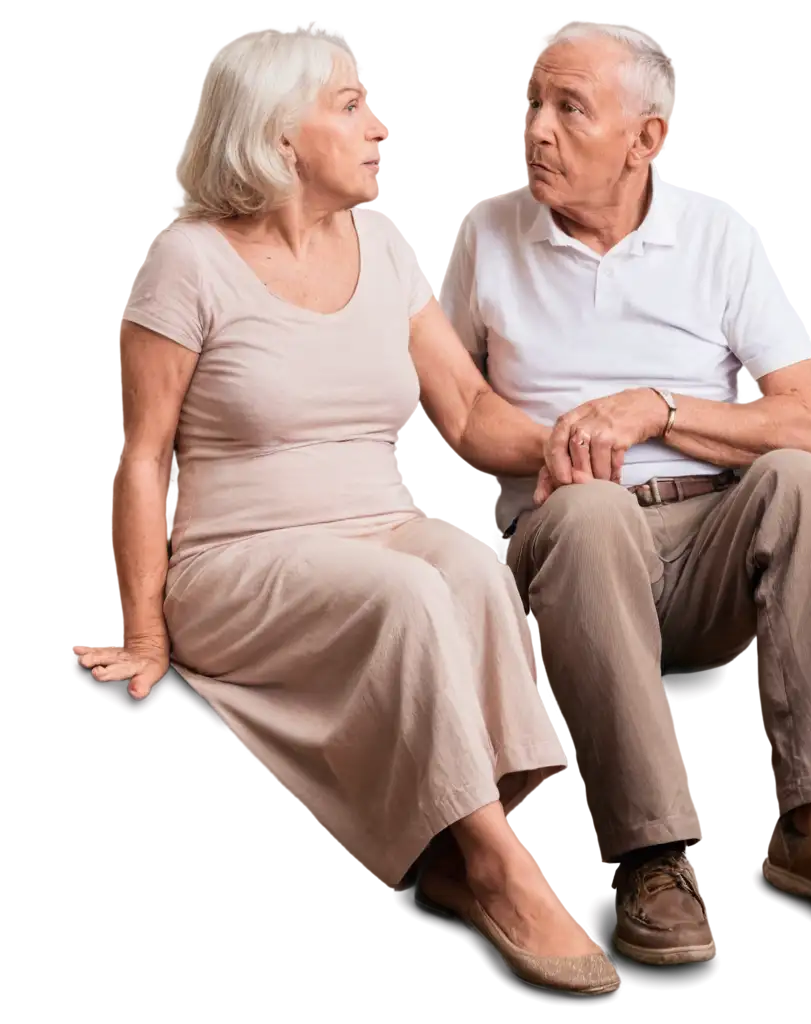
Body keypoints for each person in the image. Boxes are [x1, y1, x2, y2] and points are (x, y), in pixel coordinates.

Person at [68, 23, 623, 997]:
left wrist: (569, 445)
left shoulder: (386, 248)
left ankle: (469, 828)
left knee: (466, 568)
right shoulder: (187, 263)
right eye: (353, 106)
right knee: (410, 592)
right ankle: (495, 869)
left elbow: (467, 408)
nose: (382, 128)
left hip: (374, 529)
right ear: (284, 138)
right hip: (238, 563)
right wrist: (146, 632)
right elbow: (144, 456)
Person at [440, 21, 811, 968]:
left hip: (706, 543)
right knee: (587, 510)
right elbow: (462, 411)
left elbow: (804, 419)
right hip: (571, 542)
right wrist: (567, 438)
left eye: (568, 107)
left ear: (645, 139)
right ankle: (653, 856)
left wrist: (656, 409)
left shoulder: (718, 233)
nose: (537, 130)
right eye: (532, 105)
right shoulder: (485, 235)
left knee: (800, 480)